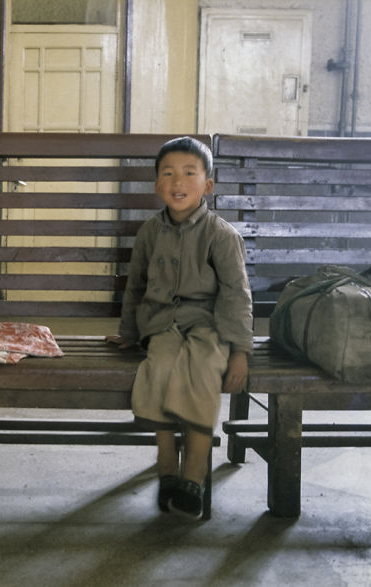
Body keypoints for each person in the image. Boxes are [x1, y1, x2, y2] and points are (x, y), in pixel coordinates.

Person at [106, 136, 252, 519]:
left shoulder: (221, 235)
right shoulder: (150, 233)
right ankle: (166, 461)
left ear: (208, 185)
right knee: (161, 366)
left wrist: (240, 351)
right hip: (161, 326)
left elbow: (237, 294)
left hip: (210, 327)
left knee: (203, 371)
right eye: (168, 174)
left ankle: (193, 477)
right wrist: (129, 333)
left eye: (190, 173)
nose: (178, 181)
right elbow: (135, 285)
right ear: (157, 185)